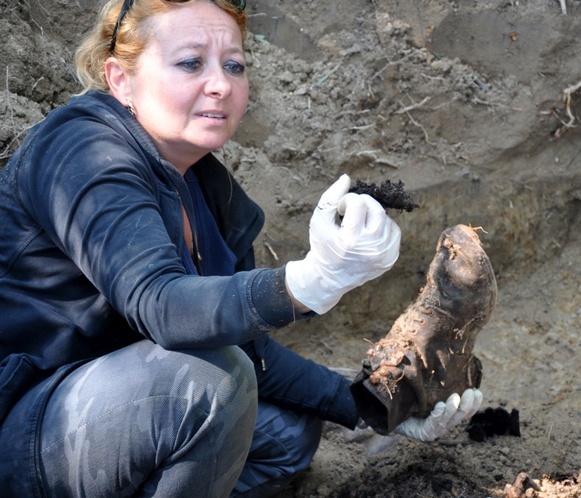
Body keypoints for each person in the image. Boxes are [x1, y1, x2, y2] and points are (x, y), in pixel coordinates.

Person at [0, 0, 483, 496]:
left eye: (234, 65)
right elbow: (162, 304)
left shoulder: (208, 193)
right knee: (212, 385)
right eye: (191, 62)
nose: (220, 84)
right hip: (18, 424)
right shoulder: (81, 150)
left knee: (287, 433)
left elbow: (251, 355)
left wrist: (370, 407)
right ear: (120, 79)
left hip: (106, 414)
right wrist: (308, 281)